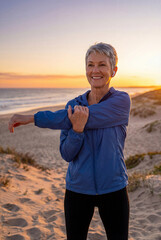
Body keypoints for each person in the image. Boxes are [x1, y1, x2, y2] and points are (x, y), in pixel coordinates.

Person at [9, 43, 131, 240]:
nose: (95, 70)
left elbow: (69, 117)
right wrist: (77, 130)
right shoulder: (73, 105)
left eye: (102, 65)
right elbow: (66, 154)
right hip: (78, 189)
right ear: (85, 70)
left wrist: (32, 118)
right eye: (90, 65)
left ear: (113, 70)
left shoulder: (121, 102)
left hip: (114, 187)